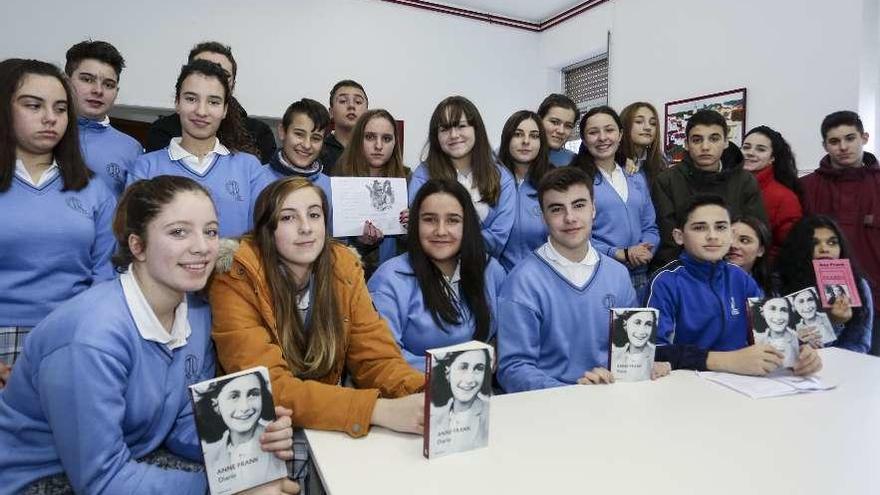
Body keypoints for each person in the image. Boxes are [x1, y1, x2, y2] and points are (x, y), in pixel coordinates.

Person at [0, 176, 298, 494]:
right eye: (178, 232)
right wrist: (226, 491)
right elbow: (102, 481)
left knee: (271, 480)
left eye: (210, 231)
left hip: (133, 458)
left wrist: (248, 442)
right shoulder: (91, 337)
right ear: (137, 246)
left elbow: (179, 422)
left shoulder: (194, 312)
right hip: (39, 480)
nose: (202, 247)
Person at [209, 177, 425, 440]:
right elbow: (266, 387)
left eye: (314, 215)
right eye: (288, 218)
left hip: (331, 419)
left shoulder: (343, 267)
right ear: (267, 229)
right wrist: (378, 410)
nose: (306, 228)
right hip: (264, 432)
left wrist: (423, 391)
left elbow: (376, 359)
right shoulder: (236, 277)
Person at [496, 167, 670, 393]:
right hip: (551, 406)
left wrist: (645, 365)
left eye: (579, 205)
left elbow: (629, 351)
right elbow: (513, 369)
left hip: (610, 397)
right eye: (557, 209)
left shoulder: (618, 275)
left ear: (593, 209)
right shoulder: (521, 282)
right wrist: (573, 393)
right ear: (543, 215)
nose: (570, 218)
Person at [0, 59, 116, 374]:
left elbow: (106, 273)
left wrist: (84, 334)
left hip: (72, 335)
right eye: (33, 105)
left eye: (61, 108)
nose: (50, 118)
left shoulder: (94, 189)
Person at [645, 194, 822, 376]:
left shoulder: (740, 278)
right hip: (688, 385)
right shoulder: (665, 281)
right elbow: (652, 350)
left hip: (744, 384)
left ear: (731, 234)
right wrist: (727, 360)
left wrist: (797, 352)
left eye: (721, 227)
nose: (712, 236)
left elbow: (769, 335)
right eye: (699, 228)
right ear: (679, 236)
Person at [368, 179, 506, 370]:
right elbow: (383, 358)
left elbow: (508, 337)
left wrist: (496, 353)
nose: (441, 231)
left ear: (468, 226)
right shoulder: (390, 278)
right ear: (415, 223)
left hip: (482, 393)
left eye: (453, 220)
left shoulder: (491, 270)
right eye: (429, 219)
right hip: (412, 394)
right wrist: (458, 370)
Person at [127, 59, 273, 237]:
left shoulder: (249, 168)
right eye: (191, 99)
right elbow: (133, 236)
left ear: (225, 109)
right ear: (177, 103)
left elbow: (262, 237)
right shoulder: (146, 167)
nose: (201, 111)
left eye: (213, 102)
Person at [800, 111, 880, 354]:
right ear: (825, 145)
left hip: (877, 302)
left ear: (864, 138)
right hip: (817, 304)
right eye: (834, 142)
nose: (843, 147)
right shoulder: (805, 187)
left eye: (850, 138)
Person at [651, 109, 767, 268]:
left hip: (734, 271)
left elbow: (754, 233)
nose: (705, 147)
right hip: (684, 272)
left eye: (714, 139)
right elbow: (668, 242)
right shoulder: (667, 181)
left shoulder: (745, 181)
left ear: (726, 142)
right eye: (697, 140)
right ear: (686, 144)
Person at [409, 96, 515, 258]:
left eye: (461, 126)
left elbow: (499, 237)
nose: (453, 135)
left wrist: (452, 243)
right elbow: (417, 229)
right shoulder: (423, 175)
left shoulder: (501, 177)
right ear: (436, 136)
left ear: (476, 129)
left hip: (483, 269)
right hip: (432, 269)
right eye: (444, 129)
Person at [573, 105, 659, 301]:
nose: (603, 138)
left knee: (637, 331)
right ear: (585, 141)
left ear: (620, 135)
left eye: (609, 130)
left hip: (640, 277)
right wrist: (619, 253)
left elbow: (650, 226)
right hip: (599, 275)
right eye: (593, 133)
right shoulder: (578, 180)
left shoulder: (635, 176)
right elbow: (575, 234)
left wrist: (645, 250)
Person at [146, 41, 275, 162]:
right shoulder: (162, 131)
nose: (209, 79)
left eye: (222, 75)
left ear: (233, 85)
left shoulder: (258, 132)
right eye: (200, 69)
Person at [775, 215, 873, 353]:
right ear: (799, 248)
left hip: (842, 366)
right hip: (794, 366)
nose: (824, 249)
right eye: (814, 243)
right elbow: (779, 344)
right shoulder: (779, 281)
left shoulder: (859, 284)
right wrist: (832, 322)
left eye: (832, 243)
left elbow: (859, 343)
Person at [338, 108, 410, 278]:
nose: (378, 146)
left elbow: (421, 245)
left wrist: (413, 226)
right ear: (358, 140)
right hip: (348, 276)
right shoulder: (339, 179)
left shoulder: (409, 180)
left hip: (397, 277)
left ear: (395, 143)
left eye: (386, 138)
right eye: (370, 137)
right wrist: (360, 242)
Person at [64, 40, 142, 197]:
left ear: (116, 92)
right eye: (87, 79)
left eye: (108, 84)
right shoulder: (44, 133)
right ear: (65, 82)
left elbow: (131, 213)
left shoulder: (131, 149)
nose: (98, 90)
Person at [194, 370, 287, 492]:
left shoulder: (279, 442)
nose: (245, 407)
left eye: (253, 394)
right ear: (215, 405)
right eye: (234, 396)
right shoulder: (210, 457)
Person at [497, 110, 553, 271]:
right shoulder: (489, 182)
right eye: (518, 134)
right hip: (499, 284)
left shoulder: (554, 184)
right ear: (507, 138)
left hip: (544, 282)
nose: (526, 141)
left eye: (534, 136)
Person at [740, 126, 802, 257]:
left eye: (760, 149)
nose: (750, 152)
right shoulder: (729, 184)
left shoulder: (785, 197)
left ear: (772, 158)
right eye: (746, 147)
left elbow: (790, 246)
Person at [427, 348, 491, 456]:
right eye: (463, 367)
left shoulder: (488, 415)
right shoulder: (435, 418)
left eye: (479, 369)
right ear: (448, 372)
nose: (469, 379)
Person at [266, 98, 331, 199]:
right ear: (282, 132)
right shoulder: (256, 179)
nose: (307, 145)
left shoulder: (331, 187)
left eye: (316, 138)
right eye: (299, 134)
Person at [319, 79, 368, 174]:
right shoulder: (318, 149)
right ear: (331, 112)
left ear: (367, 113)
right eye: (343, 101)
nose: (351, 106)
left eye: (358, 102)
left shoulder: (376, 149)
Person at [619, 101, 668, 188]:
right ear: (624, 125)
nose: (648, 127)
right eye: (639, 121)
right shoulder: (612, 159)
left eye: (653, 123)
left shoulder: (661, 162)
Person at [726, 216, 772, 294]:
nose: (733, 245)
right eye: (728, 239)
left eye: (744, 240)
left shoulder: (771, 290)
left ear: (760, 250)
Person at [610, 309, 658, 381]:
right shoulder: (616, 356)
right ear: (625, 324)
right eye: (637, 323)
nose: (642, 331)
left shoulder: (654, 358)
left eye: (648, 324)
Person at [752, 297, 799, 368]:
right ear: (763, 313)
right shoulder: (757, 340)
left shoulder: (798, 338)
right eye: (772, 309)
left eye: (784, 310)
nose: (778, 316)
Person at [537, 93, 579, 167]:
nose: (561, 131)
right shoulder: (519, 155)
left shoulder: (575, 162)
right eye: (554, 122)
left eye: (568, 126)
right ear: (539, 120)